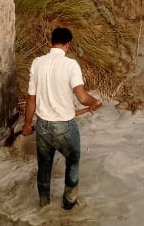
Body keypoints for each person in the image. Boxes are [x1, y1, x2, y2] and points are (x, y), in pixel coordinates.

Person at [22, 27, 102, 210]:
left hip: (42, 126)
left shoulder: (37, 63)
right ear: (68, 45)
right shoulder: (70, 65)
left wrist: (27, 124)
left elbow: (31, 98)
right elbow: (82, 97)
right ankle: (69, 204)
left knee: (44, 168)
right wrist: (95, 101)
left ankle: (44, 205)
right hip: (64, 127)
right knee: (72, 162)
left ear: (50, 43)